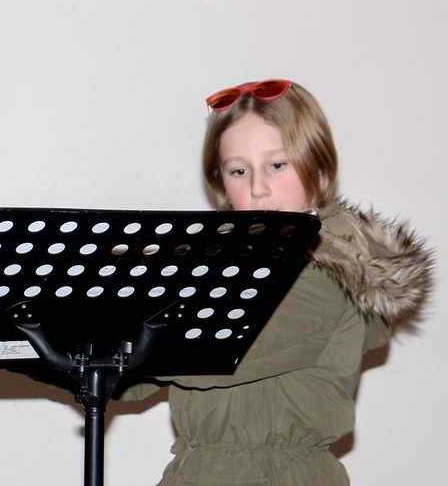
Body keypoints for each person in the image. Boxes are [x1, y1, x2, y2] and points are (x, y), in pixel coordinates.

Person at [120, 78, 433, 486]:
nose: (258, 188)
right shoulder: (226, 270)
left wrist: (127, 323)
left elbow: (214, 352)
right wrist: (53, 342)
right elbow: (129, 380)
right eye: (239, 171)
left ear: (318, 167)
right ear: (220, 183)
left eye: (277, 165)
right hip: (195, 472)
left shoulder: (327, 273)